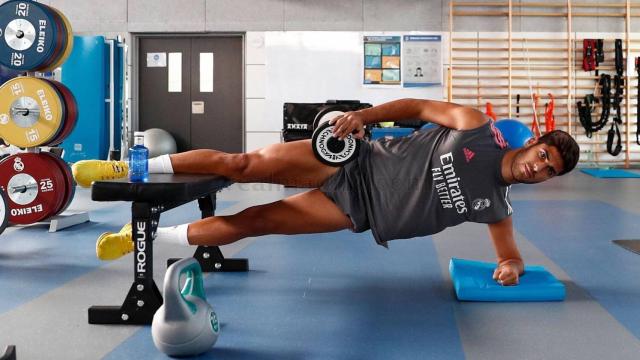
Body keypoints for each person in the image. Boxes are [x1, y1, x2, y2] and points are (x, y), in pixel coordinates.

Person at [72, 98, 580, 286]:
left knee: (257, 222)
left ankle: (143, 237)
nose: (540, 169)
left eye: (549, 172)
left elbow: (510, 256)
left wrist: (511, 267)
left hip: (353, 208)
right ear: (533, 142)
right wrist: (363, 116)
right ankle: (125, 165)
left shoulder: (497, 206)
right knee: (240, 164)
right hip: (353, 157)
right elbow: (420, 108)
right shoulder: (475, 128)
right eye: (543, 156)